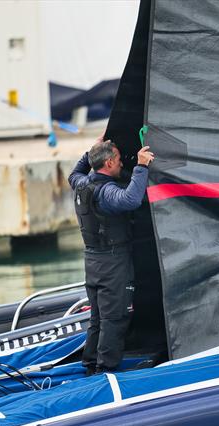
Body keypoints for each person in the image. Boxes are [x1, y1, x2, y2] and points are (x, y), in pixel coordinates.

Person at [69, 137, 155, 374]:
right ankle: (105, 372)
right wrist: (141, 167)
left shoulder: (80, 183)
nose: (121, 164)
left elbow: (74, 172)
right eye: (117, 160)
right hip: (112, 263)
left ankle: (90, 366)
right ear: (108, 163)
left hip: (92, 262)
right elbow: (130, 199)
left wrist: (91, 152)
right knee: (114, 319)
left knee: (97, 319)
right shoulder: (106, 192)